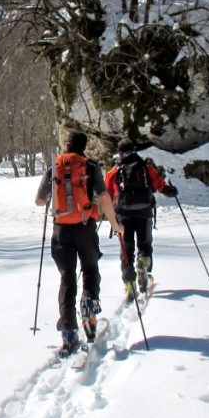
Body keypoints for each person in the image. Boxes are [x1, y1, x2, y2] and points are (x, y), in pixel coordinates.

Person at [35, 130, 121, 356]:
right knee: (91, 267)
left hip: (61, 230)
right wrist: (114, 223)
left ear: (66, 144)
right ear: (84, 147)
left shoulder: (54, 167)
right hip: (85, 227)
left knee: (67, 277)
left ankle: (69, 332)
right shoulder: (91, 166)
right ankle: (88, 302)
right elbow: (104, 196)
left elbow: (39, 200)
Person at [105, 139, 178, 301]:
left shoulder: (115, 170)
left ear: (120, 153)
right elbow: (159, 185)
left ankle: (129, 285)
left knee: (126, 250)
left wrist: (107, 213)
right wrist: (171, 190)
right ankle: (143, 262)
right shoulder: (145, 166)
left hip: (123, 215)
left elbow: (106, 192)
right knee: (144, 244)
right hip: (144, 212)